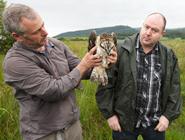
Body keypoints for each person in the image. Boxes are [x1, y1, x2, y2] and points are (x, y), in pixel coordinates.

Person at [2, 3, 117, 140]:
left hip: (73, 126)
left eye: (43, 25)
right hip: (44, 133)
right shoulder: (15, 62)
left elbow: (82, 69)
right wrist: (83, 65)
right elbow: (53, 91)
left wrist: (104, 62)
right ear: (17, 36)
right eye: (36, 31)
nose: (45, 32)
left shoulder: (55, 44)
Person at [96, 12, 182, 140]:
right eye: (146, 27)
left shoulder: (168, 55)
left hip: (155, 123)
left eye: (154, 30)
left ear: (162, 34)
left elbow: (174, 89)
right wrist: (109, 115)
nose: (148, 32)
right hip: (123, 123)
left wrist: (167, 117)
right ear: (142, 25)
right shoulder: (120, 49)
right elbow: (105, 83)